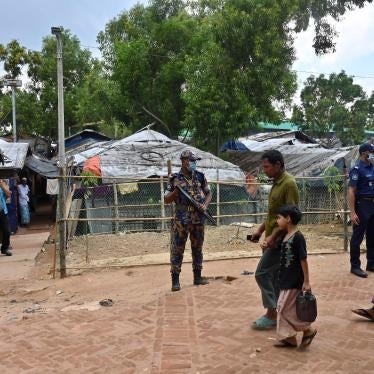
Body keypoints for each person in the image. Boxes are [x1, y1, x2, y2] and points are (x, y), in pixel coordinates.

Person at [249, 150, 299, 329]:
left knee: (261, 273)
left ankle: (271, 312)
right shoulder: (276, 183)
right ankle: (279, 313)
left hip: (281, 242)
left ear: (278, 164)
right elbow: (273, 215)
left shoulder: (289, 184)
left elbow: (290, 216)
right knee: (274, 278)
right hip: (271, 239)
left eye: (267, 167)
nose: (265, 171)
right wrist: (260, 231)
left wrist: (274, 236)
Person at [164, 150, 212, 291]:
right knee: (177, 249)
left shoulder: (200, 176)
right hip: (181, 219)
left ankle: (197, 277)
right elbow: (166, 199)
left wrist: (205, 205)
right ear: (184, 161)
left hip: (198, 217)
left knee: (198, 248)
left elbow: (209, 193)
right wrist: (176, 192)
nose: (193, 163)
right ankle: (175, 281)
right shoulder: (174, 178)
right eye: (191, 161)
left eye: (195, 161)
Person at [275, 204, 317, 348]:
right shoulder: (285, 236)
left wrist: (306, 281)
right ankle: (290, 338)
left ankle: (308, 329)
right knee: (285, 308)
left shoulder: (298, 237)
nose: (277, 221)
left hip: (294, 280)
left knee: (282, 308)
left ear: (288, 219)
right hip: (285, 279)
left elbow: (303, 259)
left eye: (279, 218)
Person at [348, 142, 374, 278]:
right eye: (371, 152)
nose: (372, 154)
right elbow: (351, 191)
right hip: (362, 205)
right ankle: (355, 266)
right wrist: (352, 212)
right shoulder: (357, 169)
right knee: (357, 237)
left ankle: (371, 263)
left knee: (372, 235)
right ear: (364, 153)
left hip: (372, 205)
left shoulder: (372, 167)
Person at [0, 179, 12, 256]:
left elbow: (8, 195)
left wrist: (2, 186)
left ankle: (4, 248)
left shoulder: (2, 183)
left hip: (2, 211)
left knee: (7, 231)